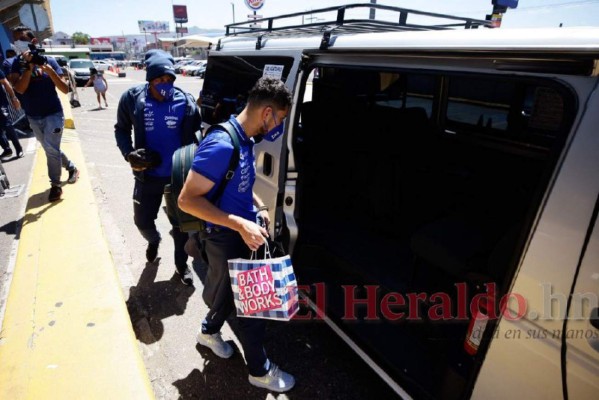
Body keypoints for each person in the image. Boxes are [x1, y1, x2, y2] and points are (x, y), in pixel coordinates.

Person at [177, 77, 295, 392]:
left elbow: (238, 186)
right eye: (280, 119)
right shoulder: (223, 144)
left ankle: (208, 331)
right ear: (267, 112)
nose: (279, 126)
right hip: (225, 237)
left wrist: (258, 208)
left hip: (239, 234)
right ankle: (259, 371)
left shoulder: (245, 139)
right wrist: (241, 225)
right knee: (253, 308)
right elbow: (187, 201)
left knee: (232, 296)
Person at [114, 50, 202, 286]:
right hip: (148, 176)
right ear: (149, 80)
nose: (165, 85)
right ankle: (153, 240)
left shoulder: (186, 101)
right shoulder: (132, 99)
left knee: (182, 225)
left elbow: (198, 132)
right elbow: (121, 129)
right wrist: (129, 154)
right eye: (159, 80)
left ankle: (181, 265)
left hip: (178, 177)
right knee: (142, 221)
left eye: (169, 79)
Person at [9, 26, 79, 202]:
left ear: (32, 41)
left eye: (21, 39)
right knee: (50, 148)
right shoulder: (17, 64)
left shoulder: (49, 61)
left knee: (50, 148)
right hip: (33, 116)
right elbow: (20, 89)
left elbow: (65, 89)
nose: (18, 43)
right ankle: (71, 167)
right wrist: (28, 68)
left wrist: (49, 71)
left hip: (53, 113)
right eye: (15, 39)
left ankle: (55, 185)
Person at [0, 69, 23, 159]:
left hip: (1, 104)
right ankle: (6, 149)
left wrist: (14, 98)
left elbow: (5, 83)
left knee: (7, 126)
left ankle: (18, 148)